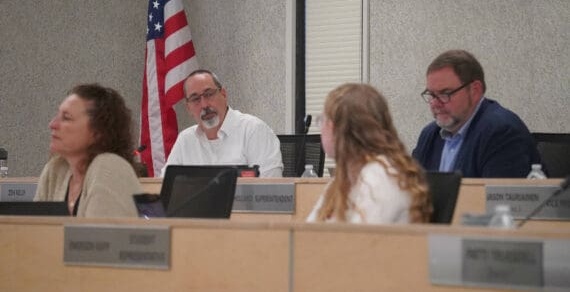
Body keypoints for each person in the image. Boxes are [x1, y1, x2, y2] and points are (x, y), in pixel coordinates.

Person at [307, 84, 431, 224]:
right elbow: (307, 233)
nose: (320, 129)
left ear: (340, 130)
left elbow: (359, 242)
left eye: (322, 121)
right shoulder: (343, 179)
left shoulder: (381, 177)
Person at [412, 49, 542, 178]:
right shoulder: (429, 135)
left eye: (445, 93)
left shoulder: (501, 132)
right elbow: (410, 189)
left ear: (475, 90)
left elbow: (495, 197)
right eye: (432, 95)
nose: (435, 103)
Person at [34, 84, 143, 217]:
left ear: (98, 132)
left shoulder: (110, 167)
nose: (52, 124)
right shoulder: (55, 170)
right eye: (58, 115)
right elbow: (34, 232)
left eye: (66, 118)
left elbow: (99, 236)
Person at [163, 69, 283, 177]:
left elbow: (271, 189)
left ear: (223, 94)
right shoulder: (185, 139)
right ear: (189, 108)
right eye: (195, 99)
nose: (204, 105)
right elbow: (164, 185)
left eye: (209, 94)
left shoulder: (254, 130)